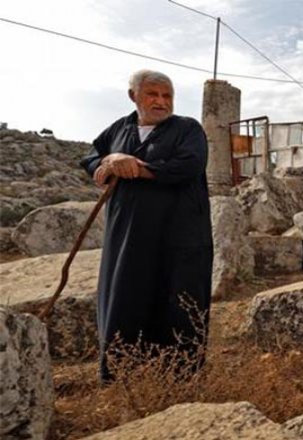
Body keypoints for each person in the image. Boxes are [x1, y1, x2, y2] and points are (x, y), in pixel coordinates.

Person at [80, 69, 213, 383]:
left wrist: (138, 168)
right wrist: (108, 161)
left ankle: (179, 378)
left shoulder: (187, 128)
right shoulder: (120, 129)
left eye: (167, 96)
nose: (161, 101)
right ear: (134, 96)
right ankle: (121, 377)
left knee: (179, 303)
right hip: (127, 236)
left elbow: (190, 165)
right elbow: (90, 157)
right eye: (153, 94)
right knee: (125, 296)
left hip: (178, 236)